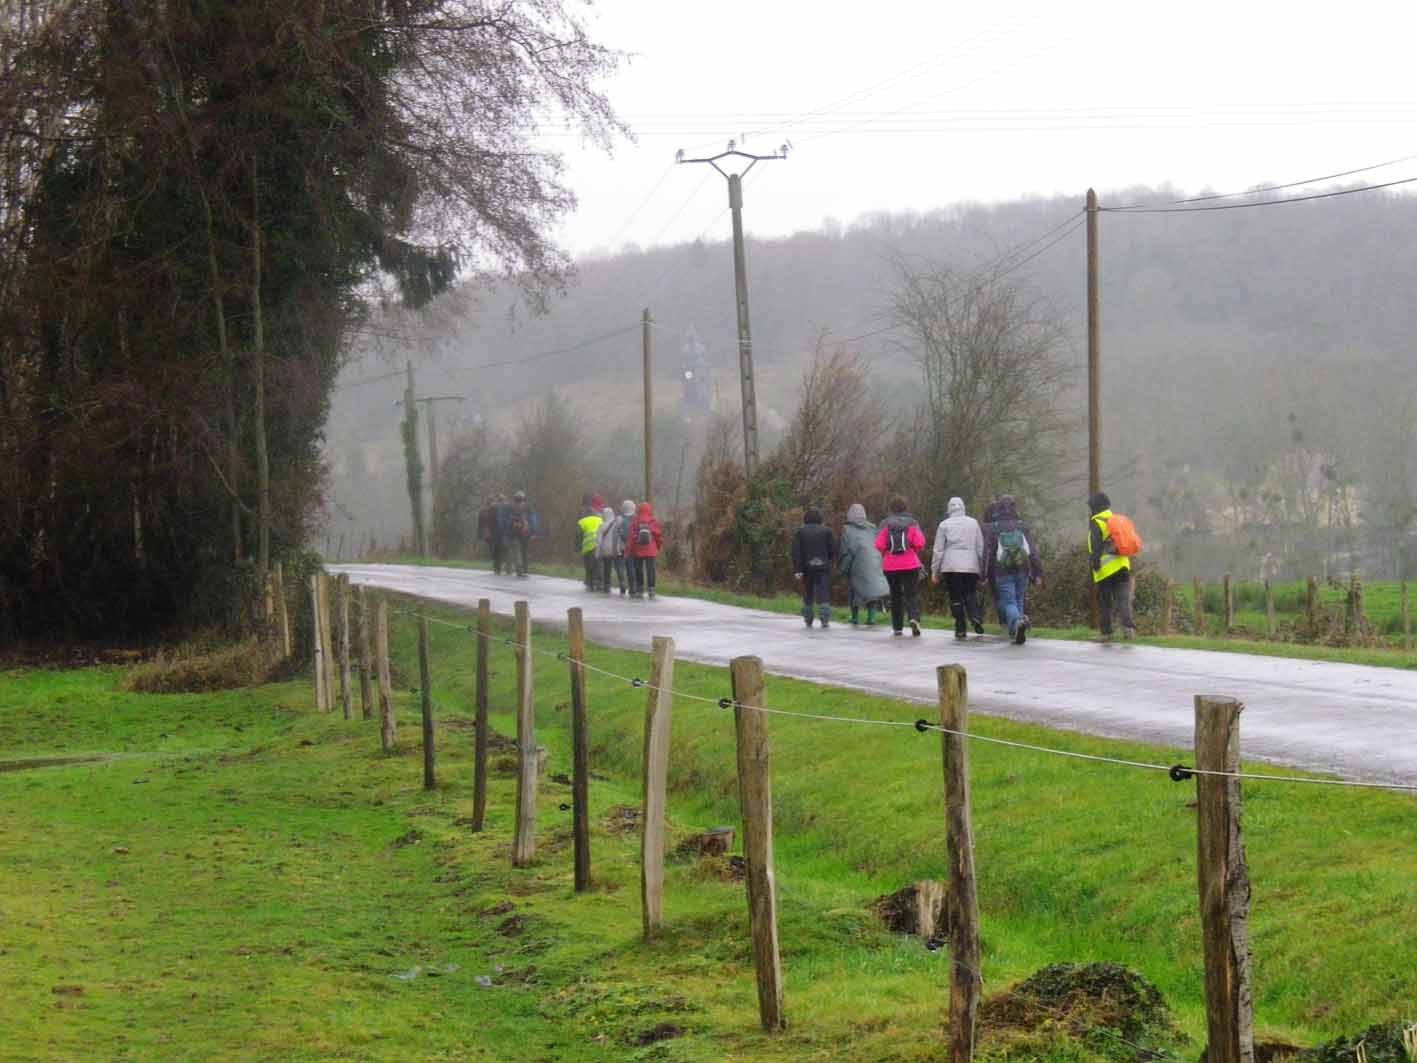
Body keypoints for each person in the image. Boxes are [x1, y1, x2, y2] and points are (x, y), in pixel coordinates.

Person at [984, 494, 1043, 644]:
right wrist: (1038, 573)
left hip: (1002, 570)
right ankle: (1017, 627)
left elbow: (987, 553)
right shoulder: (1023, 526)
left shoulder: (993, 528)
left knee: (1009, 602)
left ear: (998, 509)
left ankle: (1017, 624)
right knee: (1018, 599)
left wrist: (982, 575)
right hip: (1022, 568)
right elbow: (1033, 551)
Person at [931, 496, 986, 640]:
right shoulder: (973, 523)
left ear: (949, 508)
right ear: (963, 507)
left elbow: (938, 550)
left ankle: (960, 626)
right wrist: (982, 568)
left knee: (955, 596)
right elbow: (980, 547)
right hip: (971, 565)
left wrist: (934, 571)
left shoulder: (944, 525)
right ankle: (975, 616)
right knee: (970, 593)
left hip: (951, 566)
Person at [874, 496, 927, 637]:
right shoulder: (912, 523)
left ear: (891, 509)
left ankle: (897, 627)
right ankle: (914, 618)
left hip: (890, 565)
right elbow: (920, 542)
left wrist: (886, 553)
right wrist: (912, 551)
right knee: (911, 593)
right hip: (910, 563)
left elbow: (879, 544)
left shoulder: (885, 523)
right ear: (906, 508)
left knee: (895, 595)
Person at [1088, 491, 1135, 641]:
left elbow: (1096, 545)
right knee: (1123, 600)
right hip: (1123, 565)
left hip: (1106, 568)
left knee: (1105, 602)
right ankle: (1128, 630)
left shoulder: (1097, 521)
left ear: (1096, 507)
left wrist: (1094, 563)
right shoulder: (1116, 519)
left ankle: (1106, 633)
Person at [839, 503, 889, 625]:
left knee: (854, 589)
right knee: (871, 589)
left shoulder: (847, 530)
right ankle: (871, 618)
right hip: (874, 561)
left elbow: (846, 550)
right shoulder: (872, 528)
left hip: (857, 562)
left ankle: (855, 617)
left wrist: (843, 568)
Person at [791, 507, 836, 628]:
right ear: (820, 518)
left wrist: (797, 569)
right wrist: (829, 562)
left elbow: (796, 552)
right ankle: (825, 619)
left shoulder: (800, 532)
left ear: (805, 518)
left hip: (806, 568)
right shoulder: (827, 531)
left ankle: (808, 619)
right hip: (823, 568)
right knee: (824, 594)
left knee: (808, 593)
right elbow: (833, 550)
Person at [627, 501, 663, 599]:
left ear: (639, 510)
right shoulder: (653, 521)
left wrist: (629, 550)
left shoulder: (635, 521)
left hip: (638, 549)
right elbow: (658, 536)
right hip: (651, 549)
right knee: (651, 569)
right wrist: (658, 547)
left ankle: (640, 589)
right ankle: (651, 589)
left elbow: (631, 537)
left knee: (639, 569)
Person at [594, 505, 625, 595]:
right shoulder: (618, 523)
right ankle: (622, 582)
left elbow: (598, 540)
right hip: (616, 549)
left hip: (606, 550)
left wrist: (597, 552)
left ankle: (607, 585)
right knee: (619, 567)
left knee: (607, 568)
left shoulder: (602, 525)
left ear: (604, 515)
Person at [508, 490, 537, 578]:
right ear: (524, 498)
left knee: (517, 552)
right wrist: (534, 532)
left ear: (515, 499)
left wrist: (508, 532)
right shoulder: (529, 507)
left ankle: (520, 570)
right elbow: (534, 520)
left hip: (514, 532)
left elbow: (508, 521)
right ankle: (525, 569)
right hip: (526, 532)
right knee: (524, 551)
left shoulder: (511, 507)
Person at [576, 503, 604, 590]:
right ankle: (599, 582)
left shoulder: (582, 521)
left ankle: (590, 582)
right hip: (599, 545)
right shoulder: (600, 520)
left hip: (587, 546)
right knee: (598, 564)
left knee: (588, 565)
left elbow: (578, 535)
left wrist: (578, 547)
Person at [617, 500, 639, 596]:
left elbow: (618, 534)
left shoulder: (620, 519)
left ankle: (623, 583)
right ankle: (633, 587)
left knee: (622, 566)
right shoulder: (637, 519)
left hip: (623, 547)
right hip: (634, 547)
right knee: (632, 567)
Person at [478, 495, 504, 574]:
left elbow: (480, 524)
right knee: (494, 550)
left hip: (491, 532)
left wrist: (479, 534)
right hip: (490, 533)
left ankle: (497, 566)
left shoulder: (494, 510)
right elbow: (480, 524)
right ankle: (497, 565)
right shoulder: (484, 511)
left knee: (495, 549)